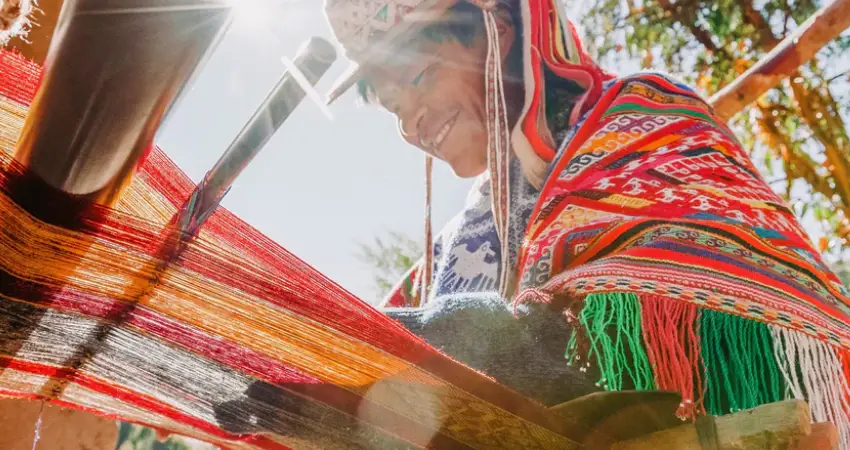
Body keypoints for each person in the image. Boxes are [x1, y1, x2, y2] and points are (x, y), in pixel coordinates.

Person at [323, 0, 850, 441]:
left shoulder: (639, 119)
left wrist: (469, 339)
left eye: (419, 77)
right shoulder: (449, 254)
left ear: (498, 32)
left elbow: (591, 321)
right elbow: (365, 354)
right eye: (394, 107)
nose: (412, 118)